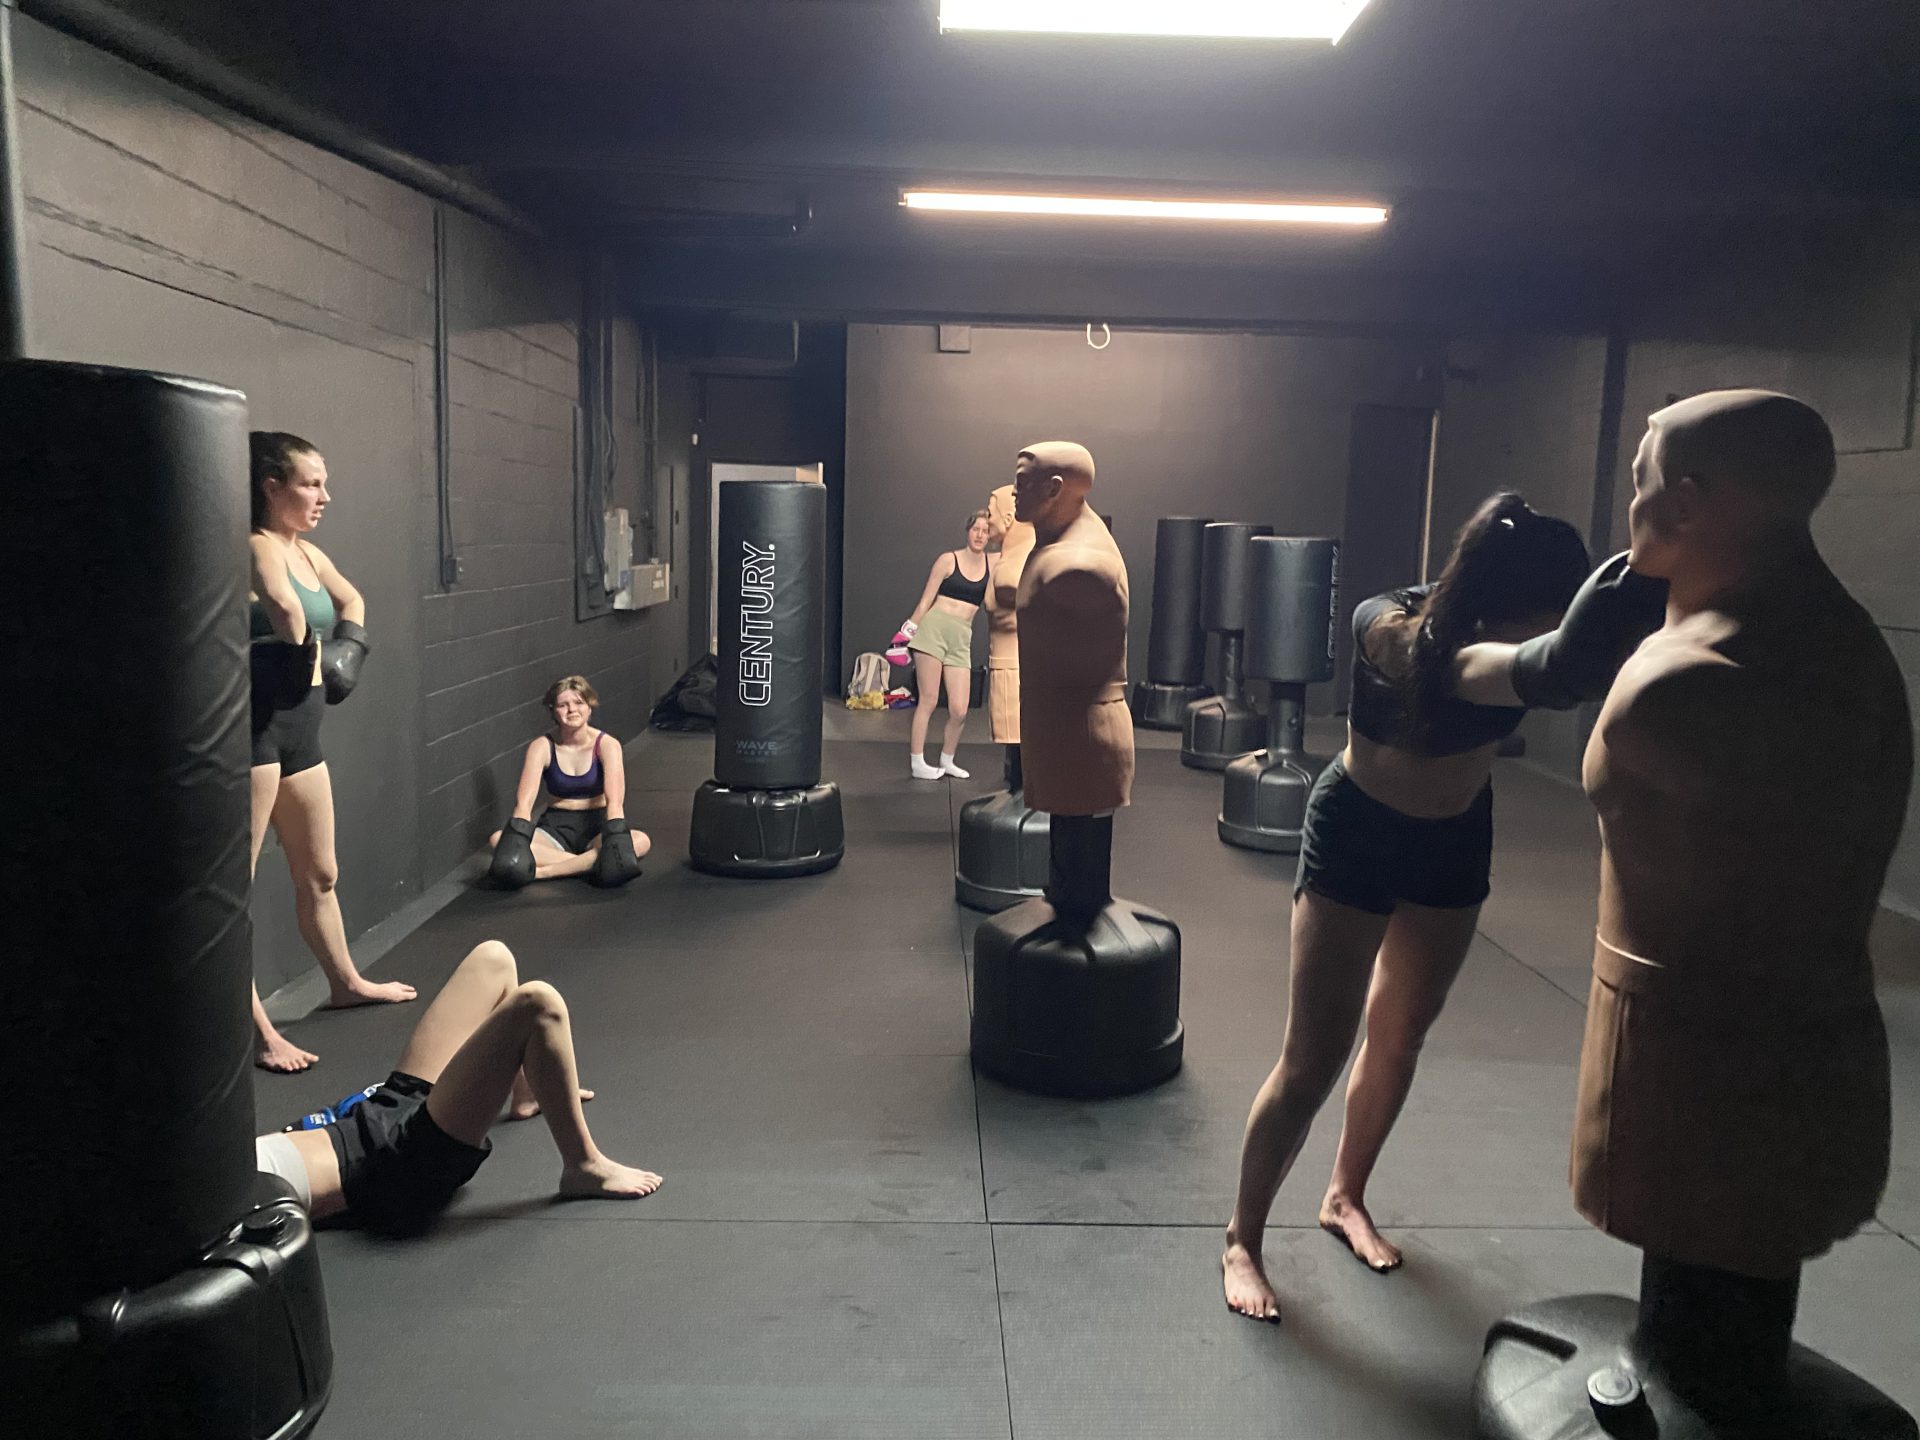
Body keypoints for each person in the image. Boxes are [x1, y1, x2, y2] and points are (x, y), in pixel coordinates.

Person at [1462, 392, 1911, 1421]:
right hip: (1816, 1040)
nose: (1631, 503)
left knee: (1712, 1256)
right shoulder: (1847, 645)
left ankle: (1691, 1388)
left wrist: (1568, 655)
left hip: (1691, 1063)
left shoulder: (1687, 681)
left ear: (1690, 503)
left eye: (1643, 480)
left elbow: (1574, 715)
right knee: (1746, 1243)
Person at [1222, 493, 1591, 1322]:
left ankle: (1343, 1196)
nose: (1556, 626)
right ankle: (1242, 1238)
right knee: (1312, 1060)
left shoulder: (1525, 646)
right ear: (1507, 599)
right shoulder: (1385, 620)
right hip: (1359, 830)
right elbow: (1448, 662)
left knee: (1401, 1033)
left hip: (1455, 839)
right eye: (1549, 611)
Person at [253, 940, 662, 1233]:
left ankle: (526, 1092)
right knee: (538, 1004)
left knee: (493, 959)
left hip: (379, 1108)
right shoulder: (225, 1191)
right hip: (400, 1161)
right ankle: (583, 1166)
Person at [247, 432, 413, 1075]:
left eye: (324, 483)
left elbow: (353, 599)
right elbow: (287, 615)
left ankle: (345, 983)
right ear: (272, 487)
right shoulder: (256, 545)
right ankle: (259, 1033)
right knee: (232, 895)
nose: (324, 496)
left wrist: (348, 649)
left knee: (320, 874)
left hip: (301, 736)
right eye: (311, 484)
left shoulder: (307, 551)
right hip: (255, 735)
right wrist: (304, 639)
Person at [488, 675, 648, 881]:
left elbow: (615, 802)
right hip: (555, 828)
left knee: (641, 841)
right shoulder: (541, 746)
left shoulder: (608, 745)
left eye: (579, 703)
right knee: (498, 840)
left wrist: (616, 836)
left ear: (589, 707)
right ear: (554, 711)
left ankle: (544, 872)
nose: (572, 710)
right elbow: (524, 805)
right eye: (563, 705)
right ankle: (589, 863)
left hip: (597, 827)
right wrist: (515, 839)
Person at [895, 510, 994, 780]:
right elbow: (925, 601)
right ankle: (918, 762)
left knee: (960, 709)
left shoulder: (994, 562)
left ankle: (947, 760)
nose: (980, 535)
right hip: (933, 630)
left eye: (986, 531)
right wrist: (905, 635)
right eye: (976, 529)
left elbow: (1019, 544)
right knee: (928, 699)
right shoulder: (948, 560)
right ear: (968, 531)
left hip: (961, 636)